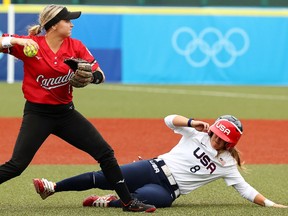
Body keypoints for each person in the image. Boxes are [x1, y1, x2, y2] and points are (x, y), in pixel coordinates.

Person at [0, 4, 156, 213]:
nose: (72, 24)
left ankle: (128, 202)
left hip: (65, 114)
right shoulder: (31, 45)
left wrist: (93, 77)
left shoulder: (75, 46)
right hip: (37, 114)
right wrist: (18, 40)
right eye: (67, 21)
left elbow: (99, 73)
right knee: (17, 166)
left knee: (105, 153)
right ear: (54, 25)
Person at [33, 114, 287, 209]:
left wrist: (269, 203)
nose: (216, 141)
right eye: (216, 135)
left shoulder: (227, 164)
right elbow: (168, 120)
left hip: (168, 190)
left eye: (223, 140)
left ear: (231, 144)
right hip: (152, 167)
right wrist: (190, 122)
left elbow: (244, 188)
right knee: (103, 177)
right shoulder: (197, 132)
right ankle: (52, 187)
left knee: (147, 203)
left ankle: (109, 201)